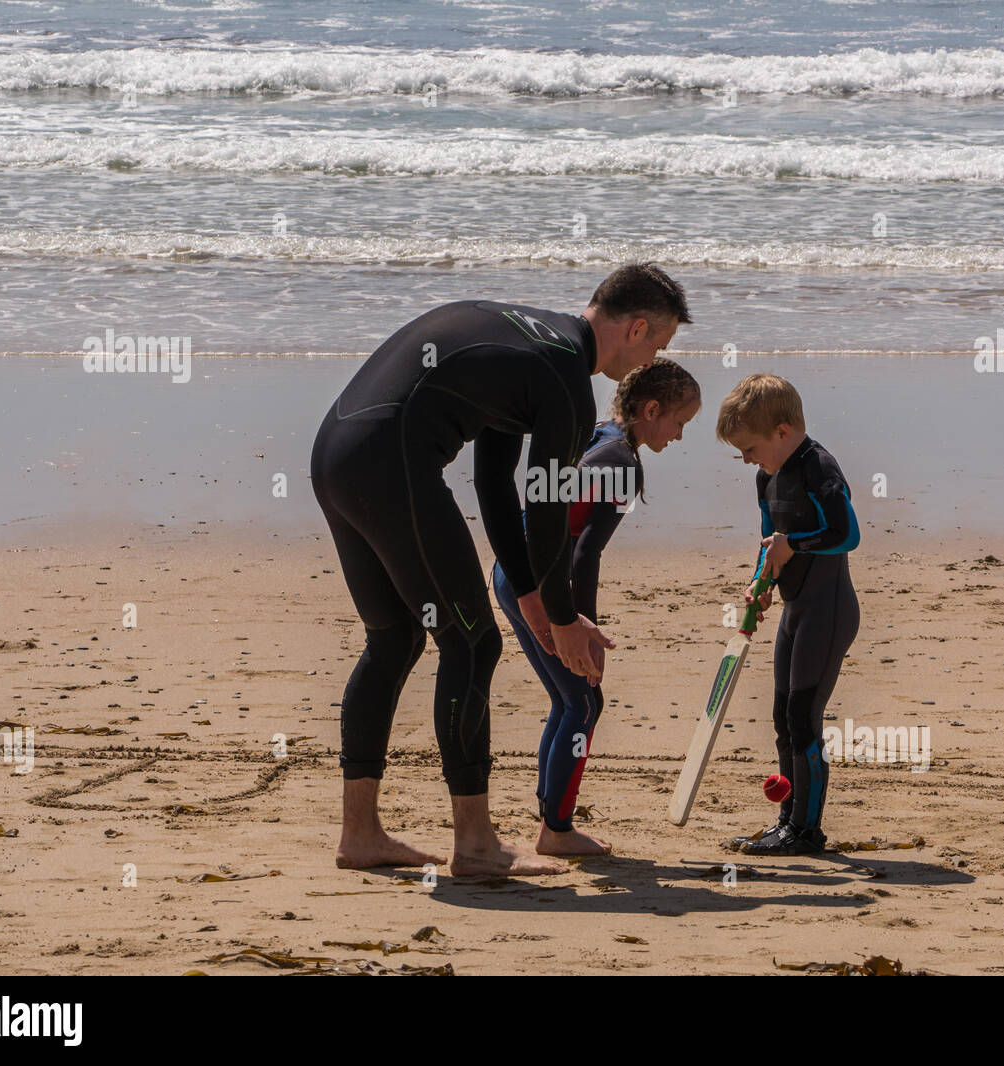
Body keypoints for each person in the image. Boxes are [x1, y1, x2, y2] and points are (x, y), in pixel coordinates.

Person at [309, 263, 692, 876]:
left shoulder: (534, 343)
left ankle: (361, 835)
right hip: (391, 465)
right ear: (638, 327)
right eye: (659, 346)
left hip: (335, 455)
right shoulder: (567, 376)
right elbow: (543, 507)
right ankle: (476, 845)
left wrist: (537, 597)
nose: (652, 362)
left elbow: (495, 484)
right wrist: (562, 617)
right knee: (472, 643)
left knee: (394, 638)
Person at [492, 358, 702, 856]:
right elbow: (586, 553)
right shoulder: (624, 465)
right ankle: (556, 831)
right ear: (650, 409)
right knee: (585, 702)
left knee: (568, 701)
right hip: (543, 584)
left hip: (512, 571)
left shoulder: (596, 434)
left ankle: (551, 818)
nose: (678, 435)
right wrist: (582, 627)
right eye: (679, 422)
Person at [715, 373, 860, 856]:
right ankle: (787, 822)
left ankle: (807, 832)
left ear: (782, 432)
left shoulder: (819, 466)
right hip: (796, 610)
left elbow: (846, 533)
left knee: (803, 718)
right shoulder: (766, 477)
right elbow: (769, 541)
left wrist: (791, 546)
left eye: (750, 448)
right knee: (782, 717)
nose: (747, 459)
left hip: (829, 610)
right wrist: (762, 583)